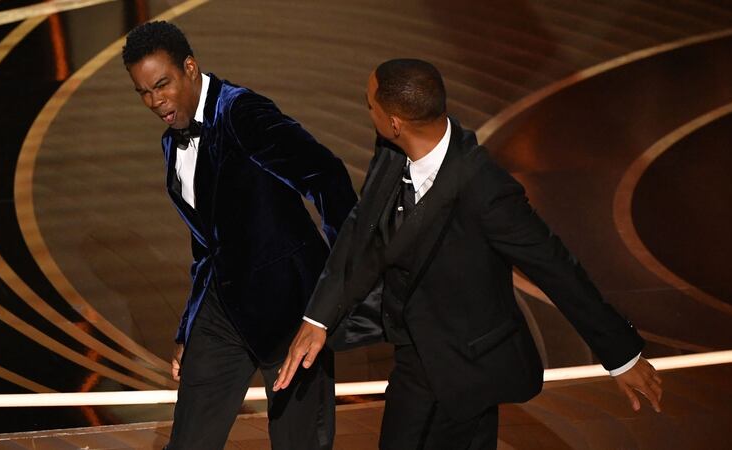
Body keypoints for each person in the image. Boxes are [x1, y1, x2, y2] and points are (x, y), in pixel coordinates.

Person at [274, 59, 663, 449]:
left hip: (467, 362)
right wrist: (319, 317)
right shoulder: (393, 150)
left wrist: (621, 355)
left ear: (395, 122)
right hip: (417, 355)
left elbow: (555, 267)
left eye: (370, 105)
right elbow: (365, 229)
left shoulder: (486, 190)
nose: (368, 110)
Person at [122, 21, 357, 450]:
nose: (155, 101)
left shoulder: (242, 113)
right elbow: (205, 241)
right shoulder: (172, 142)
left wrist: (333, 292)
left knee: (299, 443)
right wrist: (188, 328)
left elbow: (328, 178)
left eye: (162, 85)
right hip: (223, 307)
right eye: (143, 91)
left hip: (290, 310)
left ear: (190, 68)